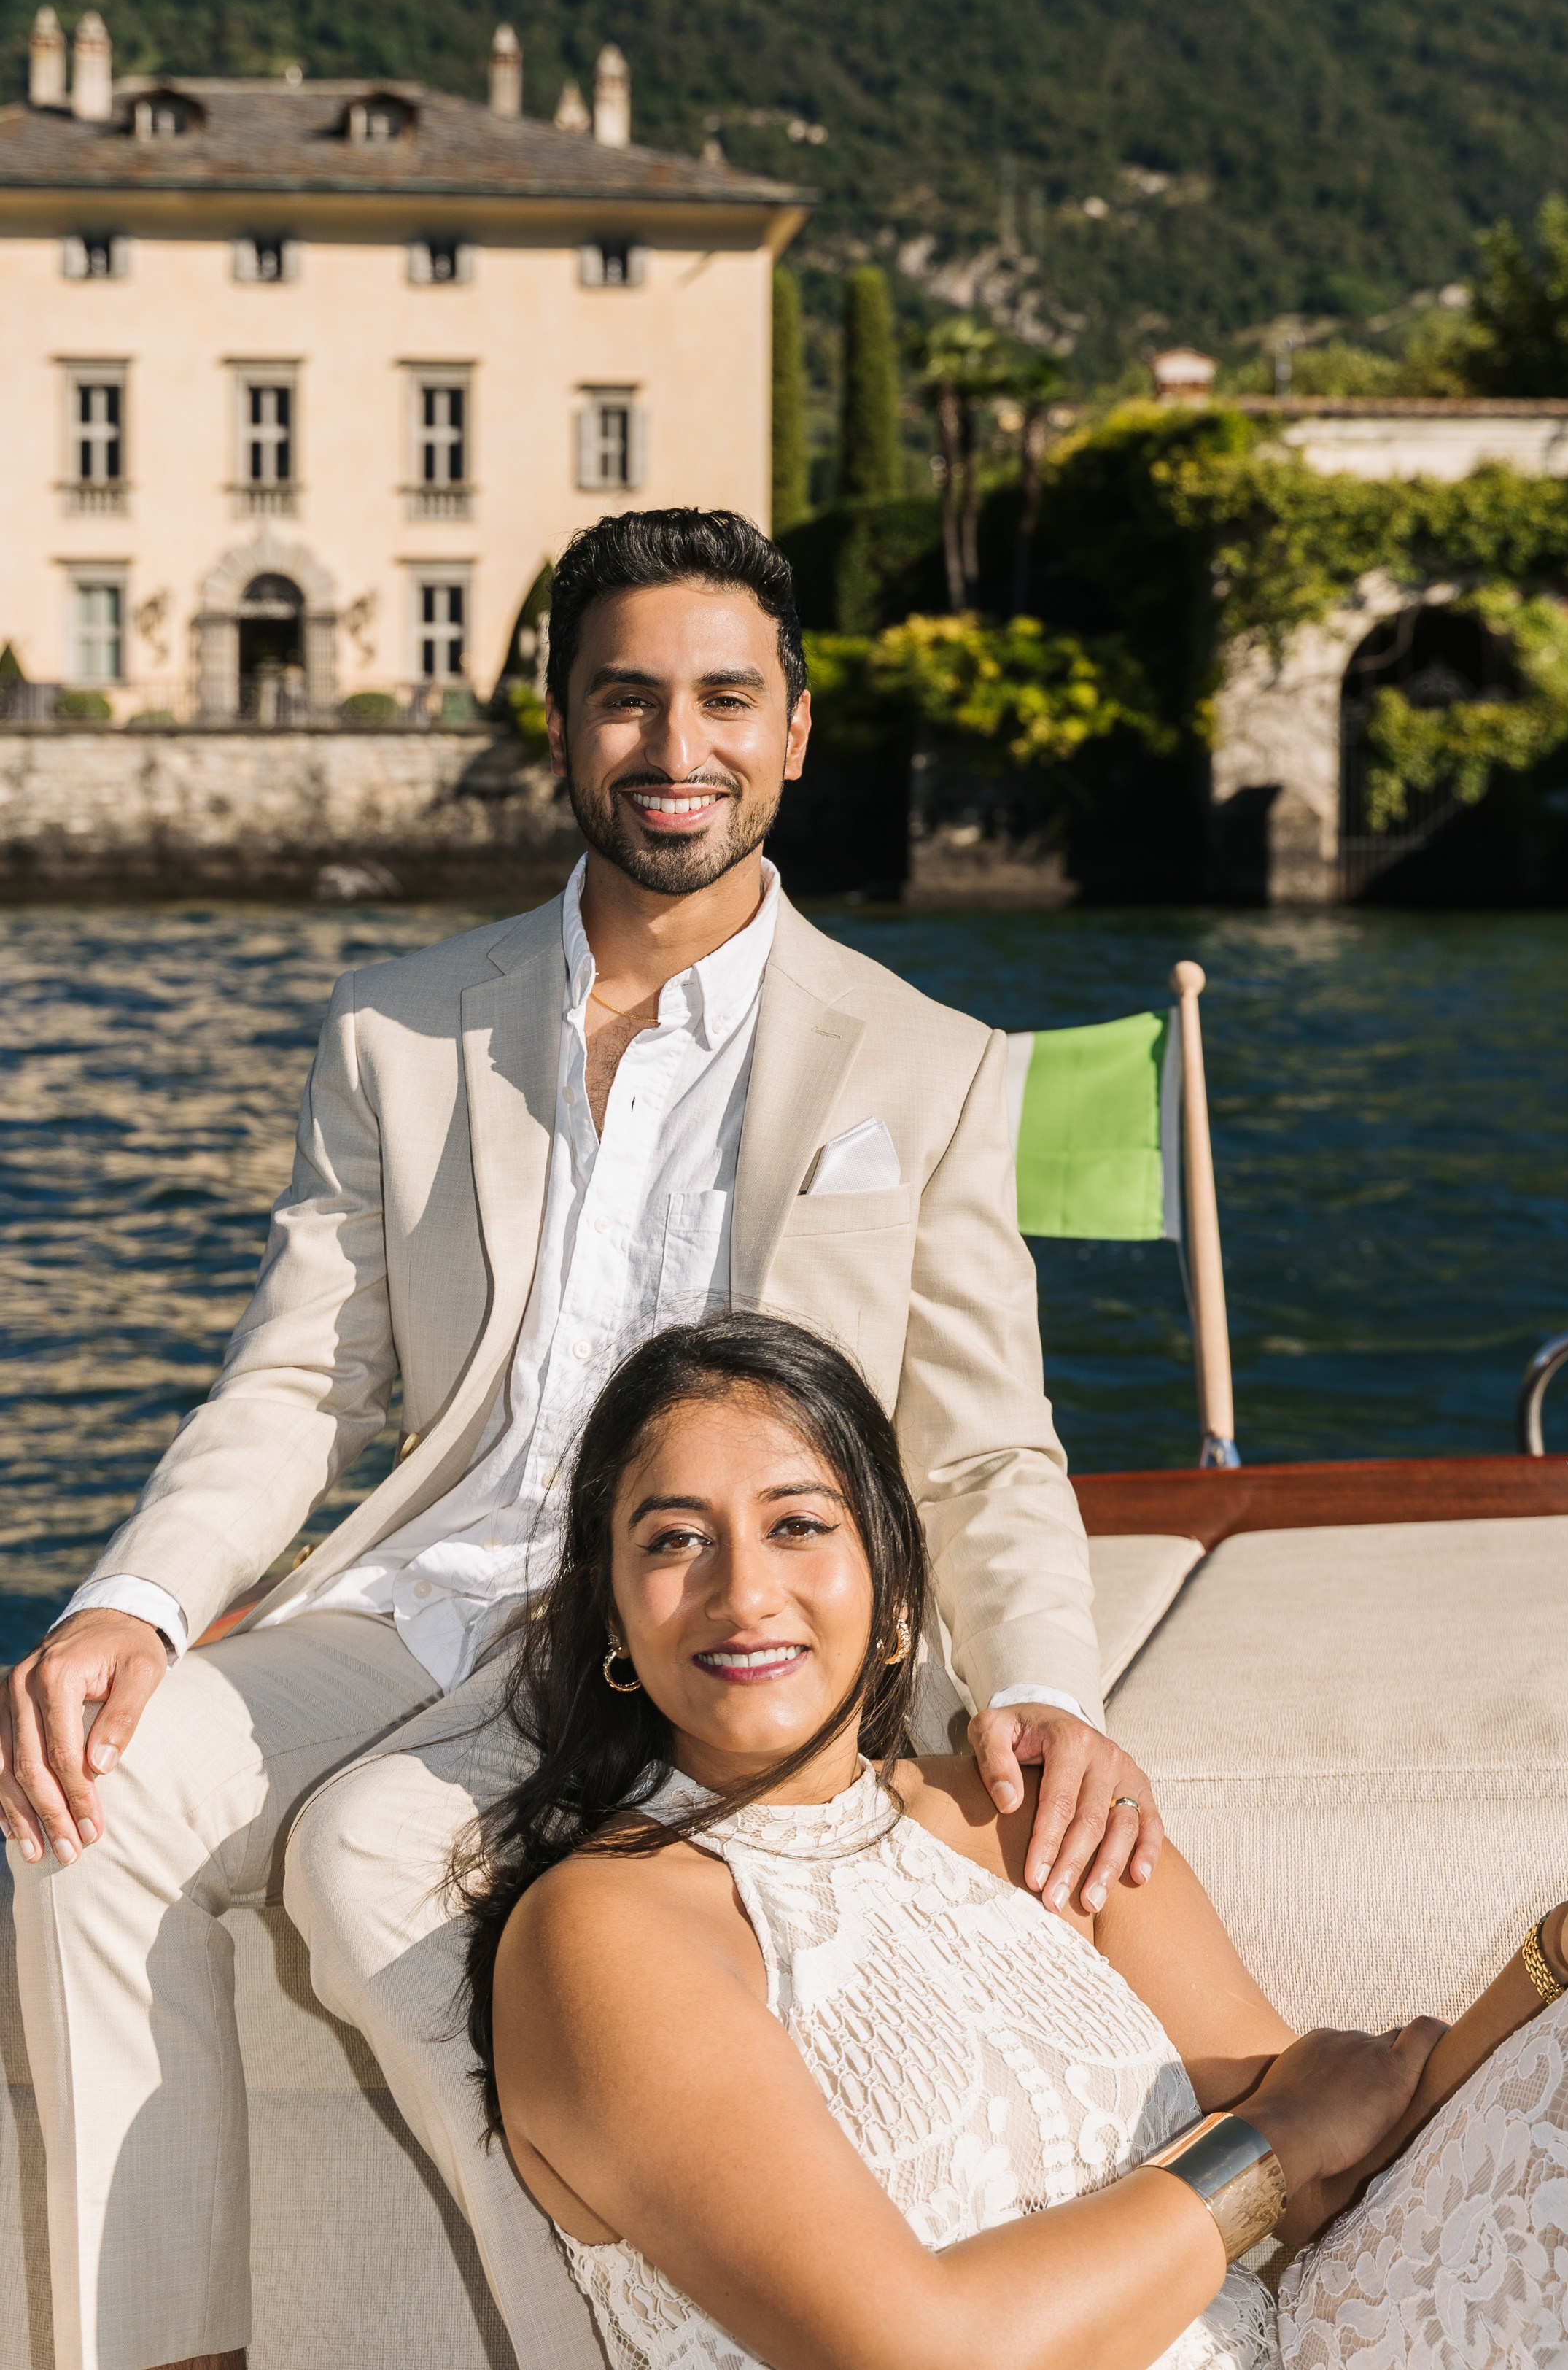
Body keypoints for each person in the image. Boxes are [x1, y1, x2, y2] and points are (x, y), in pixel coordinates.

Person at [1, 508, 1165, 2370]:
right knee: (83, 1791)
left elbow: (981, 1449)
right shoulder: (394, 1030)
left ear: (795, 729)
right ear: (559, 724)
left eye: (723, 699)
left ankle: (585, 2343)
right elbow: (296, 1380)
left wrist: (1044, 1689)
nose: (673, 747)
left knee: (369, 1850)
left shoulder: (928, 1061)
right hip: (424, 1599)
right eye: (625, 699)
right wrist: (130, 1607)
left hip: (704, 1623)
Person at [470, 1309, 1568, 2370]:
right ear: (615, 1619)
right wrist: (1265, 2142)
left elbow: (1348, 2163)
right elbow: (917, 2350)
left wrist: (1565, 1959)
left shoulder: (1034, 1817)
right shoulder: (607, 1931)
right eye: (675, 1540)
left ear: (894, 1597)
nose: (744, 1588)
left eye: (798, 1524)